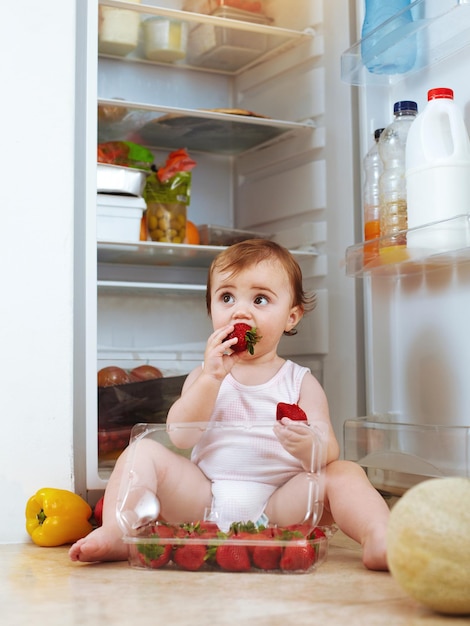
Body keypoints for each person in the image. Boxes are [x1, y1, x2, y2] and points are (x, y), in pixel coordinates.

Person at [69, 239, 389, 570]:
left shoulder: (299, 380)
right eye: (226, 297)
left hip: (279, 504)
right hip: (204, 499)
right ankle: (117, 532)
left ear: (291, 317)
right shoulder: (204, 375)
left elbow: (328, 450)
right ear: (211, 309)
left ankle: (379, 536)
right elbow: (180, 436)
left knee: (344, 472)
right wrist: (211, 379)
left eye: (260, 299)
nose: (240, 310)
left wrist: (309, 443)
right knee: (141, 452)